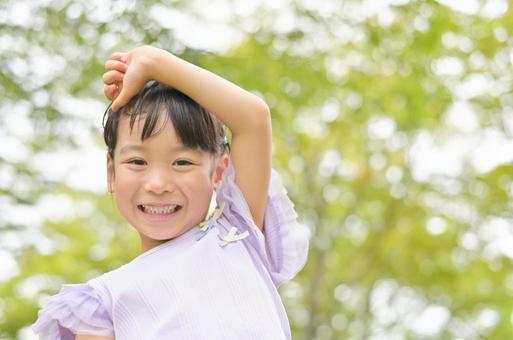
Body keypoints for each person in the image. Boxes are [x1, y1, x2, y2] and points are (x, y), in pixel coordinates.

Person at [32, 45, 309, 339]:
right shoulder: (104, 306)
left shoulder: (237, 235)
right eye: (138, 161)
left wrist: (154, 62)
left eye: (182, 162)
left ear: (218, 172)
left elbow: (253, 117)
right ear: (111, 173)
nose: (158, 184)